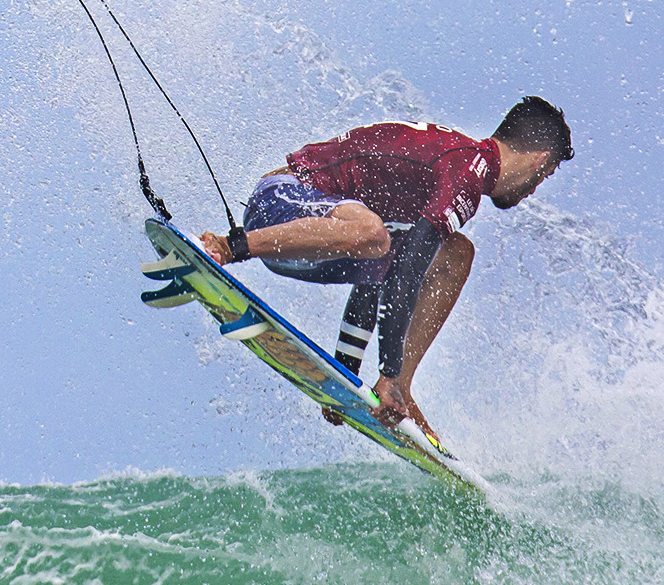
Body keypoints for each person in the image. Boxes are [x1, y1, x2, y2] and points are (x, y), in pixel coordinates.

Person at [200, 96, 573, 443]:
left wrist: (344, 375)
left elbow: (382, 268)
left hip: (311, 238)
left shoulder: (459, 167)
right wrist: (387, 370)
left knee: (454, 254)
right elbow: (405, 268)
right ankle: (228, 246)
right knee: (376, 235)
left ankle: (399, 388)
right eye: (546, 175)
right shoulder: (467, 168)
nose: (536, 189)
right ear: (540, 161)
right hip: (280, 202)